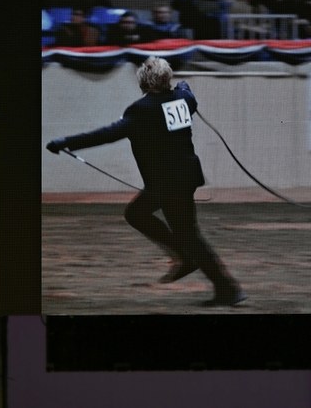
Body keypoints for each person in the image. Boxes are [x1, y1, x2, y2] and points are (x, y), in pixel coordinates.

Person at [45, 57, 246, 307]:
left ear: (143, 80)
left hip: (166, 182)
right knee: (151, 219)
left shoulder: (141, 110)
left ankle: (220, 283)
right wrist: (183, 87)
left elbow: (107, 134)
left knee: (168, 227)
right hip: (185, 177)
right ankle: (202, 269)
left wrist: (66, 141)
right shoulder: (184, 100)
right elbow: (187, 95)